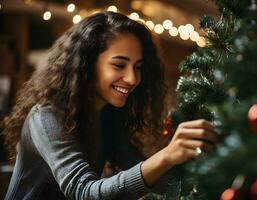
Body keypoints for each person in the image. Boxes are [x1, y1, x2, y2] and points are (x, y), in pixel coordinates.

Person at [2, 11, 218, 200]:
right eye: (119, 65)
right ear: (86, 64)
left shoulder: (108, 116)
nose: (133, 78)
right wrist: (166, 155)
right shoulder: (45, 117)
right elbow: (84, 192)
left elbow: (152, 179)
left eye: (138, 67)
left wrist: (206, 162)